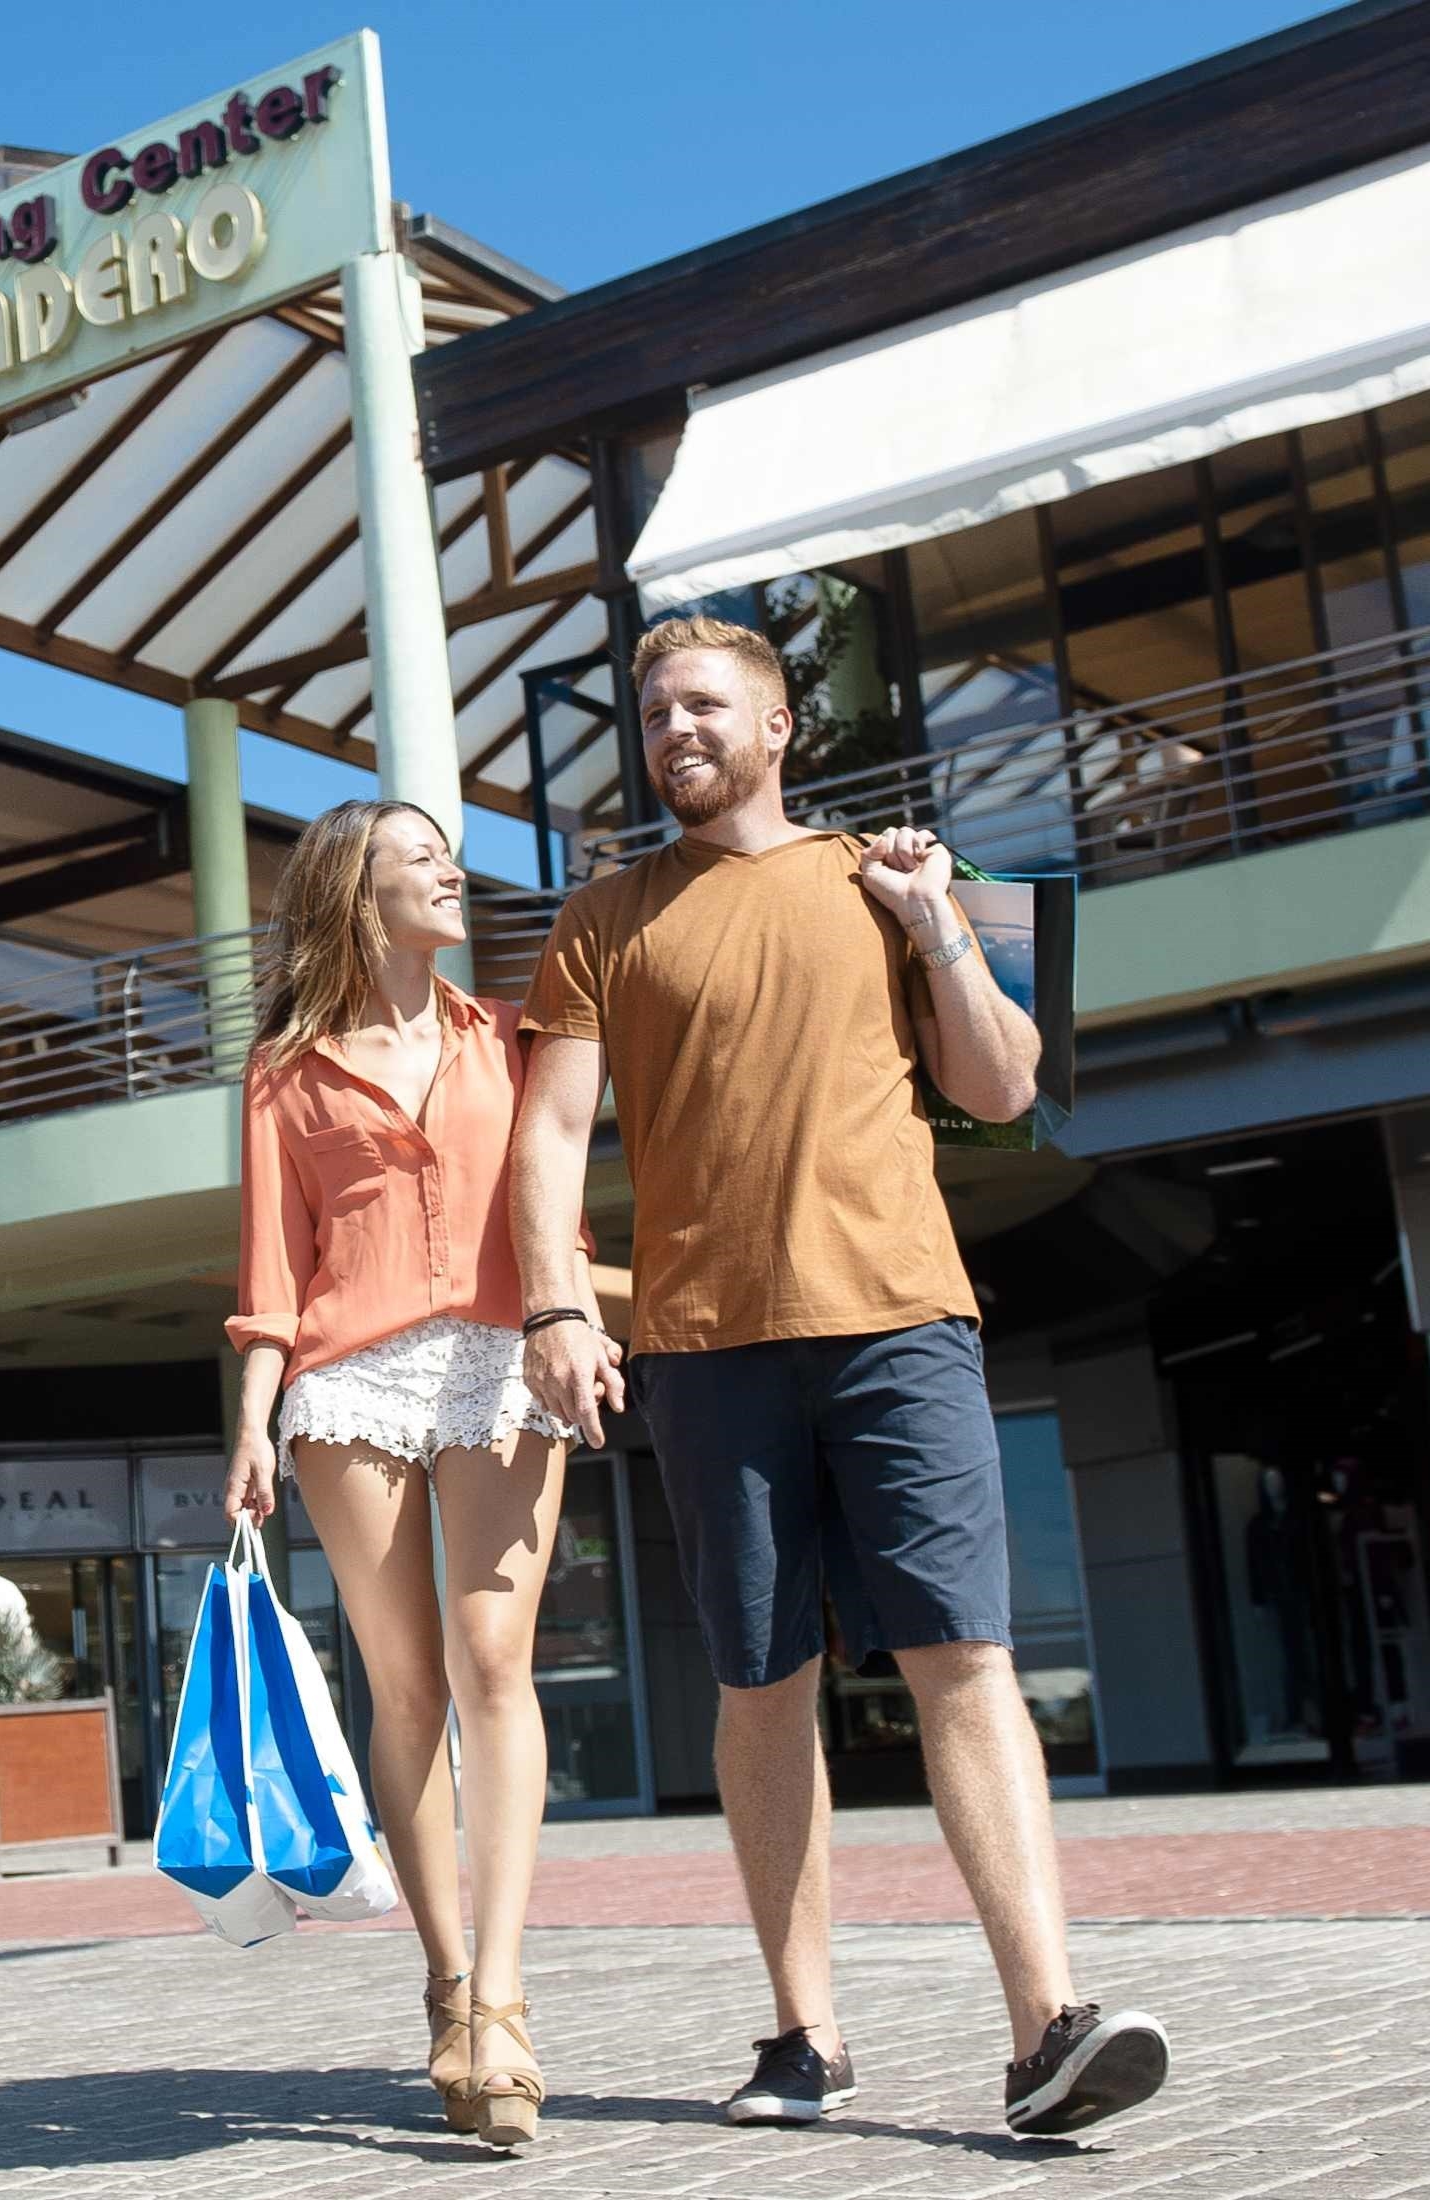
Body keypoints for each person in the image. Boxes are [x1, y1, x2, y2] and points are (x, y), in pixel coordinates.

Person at [513, 614, 1170, 2139]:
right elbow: (548, 1137)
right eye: (654, 710)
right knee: (760, 1686)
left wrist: (934, 919)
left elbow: (1003, 1088)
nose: (674, 729)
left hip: (898, 1321)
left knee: (962, 1659)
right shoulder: (606, 916)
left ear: (777, 726)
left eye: (703, 706)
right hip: (702, 1343)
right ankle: (803, 2035)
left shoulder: (879, 882)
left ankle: (1043, 2029)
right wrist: (556, 1303)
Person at [222, 797, 615, 2154]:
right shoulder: (283, 1070)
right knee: (407, 1685)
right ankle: (444, 1980)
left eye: (448, 855)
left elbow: (555, 1197)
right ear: (357, 895)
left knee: (494, 1659)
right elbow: (272, 1275)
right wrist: (250, 1428)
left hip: (500, 1363)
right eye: (420, 859)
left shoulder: (510, 1036)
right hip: (347, 1384)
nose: (451, 872)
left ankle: (502, 1996)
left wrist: (575, 1315)